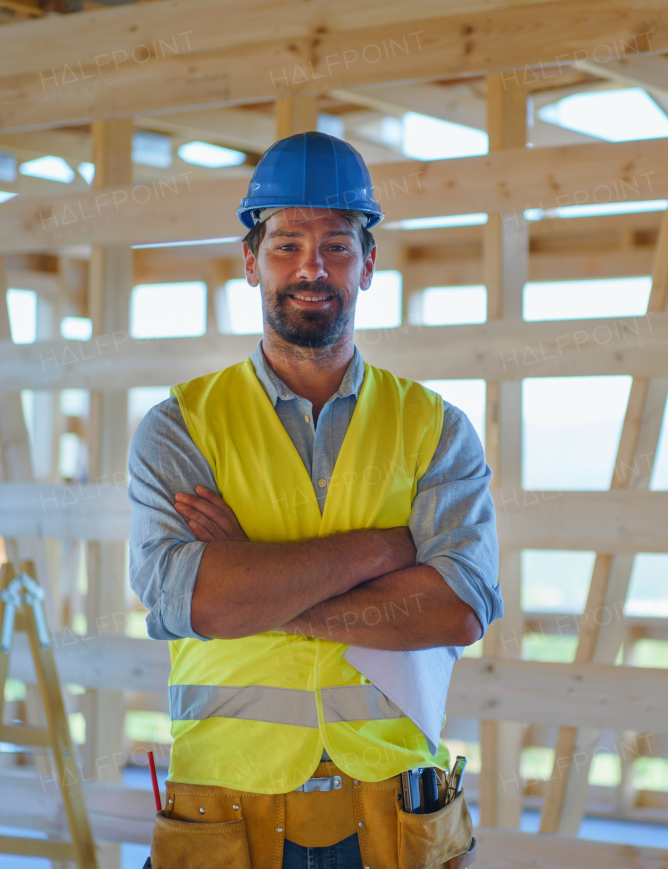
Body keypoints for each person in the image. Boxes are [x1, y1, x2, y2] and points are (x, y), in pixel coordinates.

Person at [127, 131, 499, 869]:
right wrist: (380, 549)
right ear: (250, 261)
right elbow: (193, 602)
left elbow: (457, 608)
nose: (311, 268)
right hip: (228, 811)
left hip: (394, 812)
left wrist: (259, 588)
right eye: (287, 244)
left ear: (368, 264)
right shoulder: (181, 426)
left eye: (335, 245)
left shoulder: (434, 428)